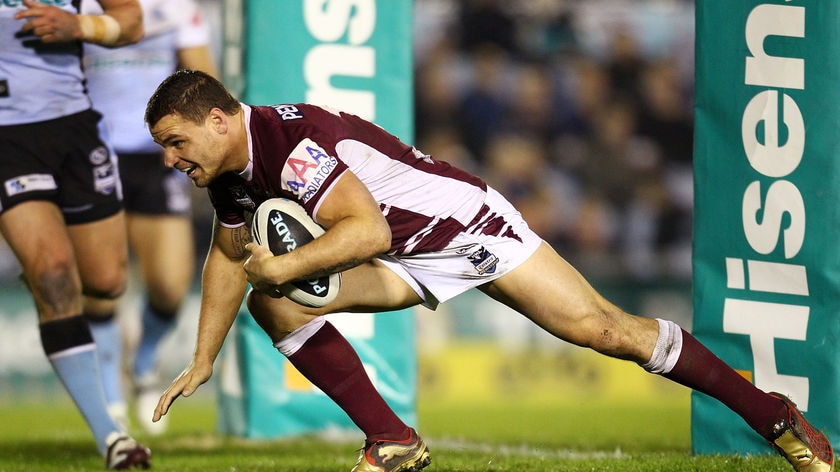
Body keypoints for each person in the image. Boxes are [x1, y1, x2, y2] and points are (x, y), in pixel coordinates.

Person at [144, 69, 835, 472]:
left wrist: (285, 265)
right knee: (279, 302)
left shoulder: (291, 147)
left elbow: (366, 229)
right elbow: (228, 258)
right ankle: (392, 442)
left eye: (176, 143)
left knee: (605, 330)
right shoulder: (231, 171)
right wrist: (204, 358)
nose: (173, 159)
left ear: (216, 118)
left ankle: (774, 417)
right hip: (400, 254)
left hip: (464, 227)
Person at [0, 0, 151, 469]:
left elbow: (131, 20)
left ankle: (46, 281)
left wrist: (79, 25)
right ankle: (113, 439)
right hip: (7, 140)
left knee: (106, 281)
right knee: (55, 275)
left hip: (75, 129)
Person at [82, 0, 218, 436]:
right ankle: (110, 390)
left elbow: (204, 84)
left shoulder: (175, 6)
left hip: (155, 157)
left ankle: (144, 364)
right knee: (102, 286)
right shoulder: (71, 5)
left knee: (170, 285)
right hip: (90, 152)